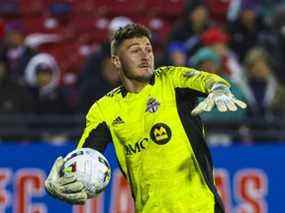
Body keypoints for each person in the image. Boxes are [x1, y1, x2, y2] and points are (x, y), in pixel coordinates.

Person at [45, 24, 246, 213]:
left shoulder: (171, 79)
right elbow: (84, 159)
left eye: (148, 49)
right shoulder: (104, 110)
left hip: (202, 207)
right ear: (116, 61)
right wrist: (61, 182)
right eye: (135, 50)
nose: (145, 56)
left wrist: (219, 88)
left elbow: (206, 79)